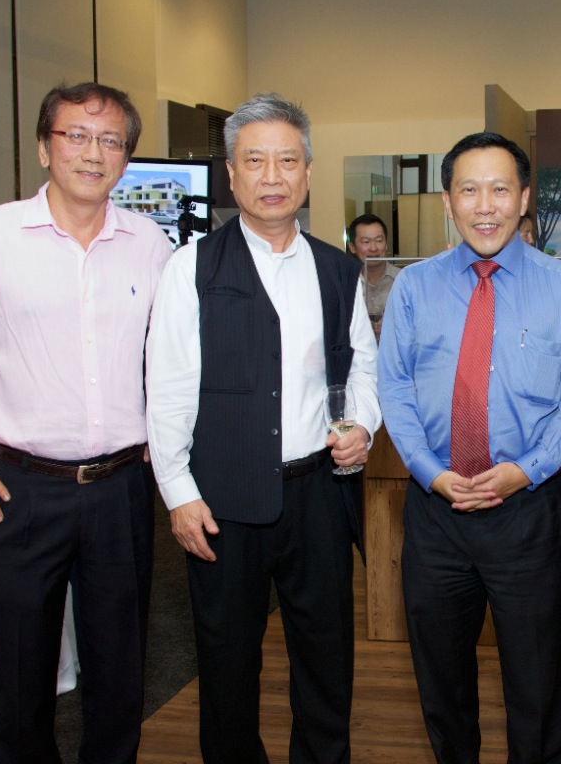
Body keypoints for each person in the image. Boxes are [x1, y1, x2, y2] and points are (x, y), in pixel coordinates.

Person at [0, 82, 172, 764]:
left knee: (120, 676)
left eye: (110, 140)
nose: (92, 152)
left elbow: (173, 358)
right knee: (22, 682)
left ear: (126, 158)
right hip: (16, 491)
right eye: (76, 135)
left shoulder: (150, 244)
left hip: (121, 489)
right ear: (44, 148)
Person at [145, 93, 380, 764]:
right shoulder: (191, 266)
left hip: (319, 496)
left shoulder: (338, 269)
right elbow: (167, 387)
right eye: (255, 161)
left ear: (308, 171)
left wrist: (362, 425)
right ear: (230, 172)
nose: (272, 176)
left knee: (327, 660)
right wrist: (178, 492)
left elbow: (363, 367)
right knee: (226, 664)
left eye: (287, 160)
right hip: (222, 501)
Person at [379, 131, 561, 764]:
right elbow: (394, 388)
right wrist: (429, 472)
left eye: (500, 189)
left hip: (525, 511)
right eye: (469, 190)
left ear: (524, 198)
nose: (485, 206)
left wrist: (525, 472)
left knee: (536, 685)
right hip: (435, 512)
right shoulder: (413, 287)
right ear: (447, 201)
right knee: (442, 684)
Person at [346, 212, 400, 339]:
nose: (374, 248)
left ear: (386, 244)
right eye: (366, 242)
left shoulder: (402, 279)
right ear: (352, 247)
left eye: (379, 241)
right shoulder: (346, 284)